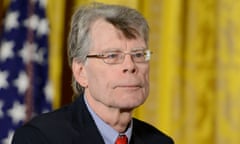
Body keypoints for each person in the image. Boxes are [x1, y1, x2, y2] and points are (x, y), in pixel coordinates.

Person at [12, 2, 174, 144]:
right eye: (112, 56)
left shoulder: (160, 141)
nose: (130, 66)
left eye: (138, 54)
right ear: (81, 71)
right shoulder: (40, 138)